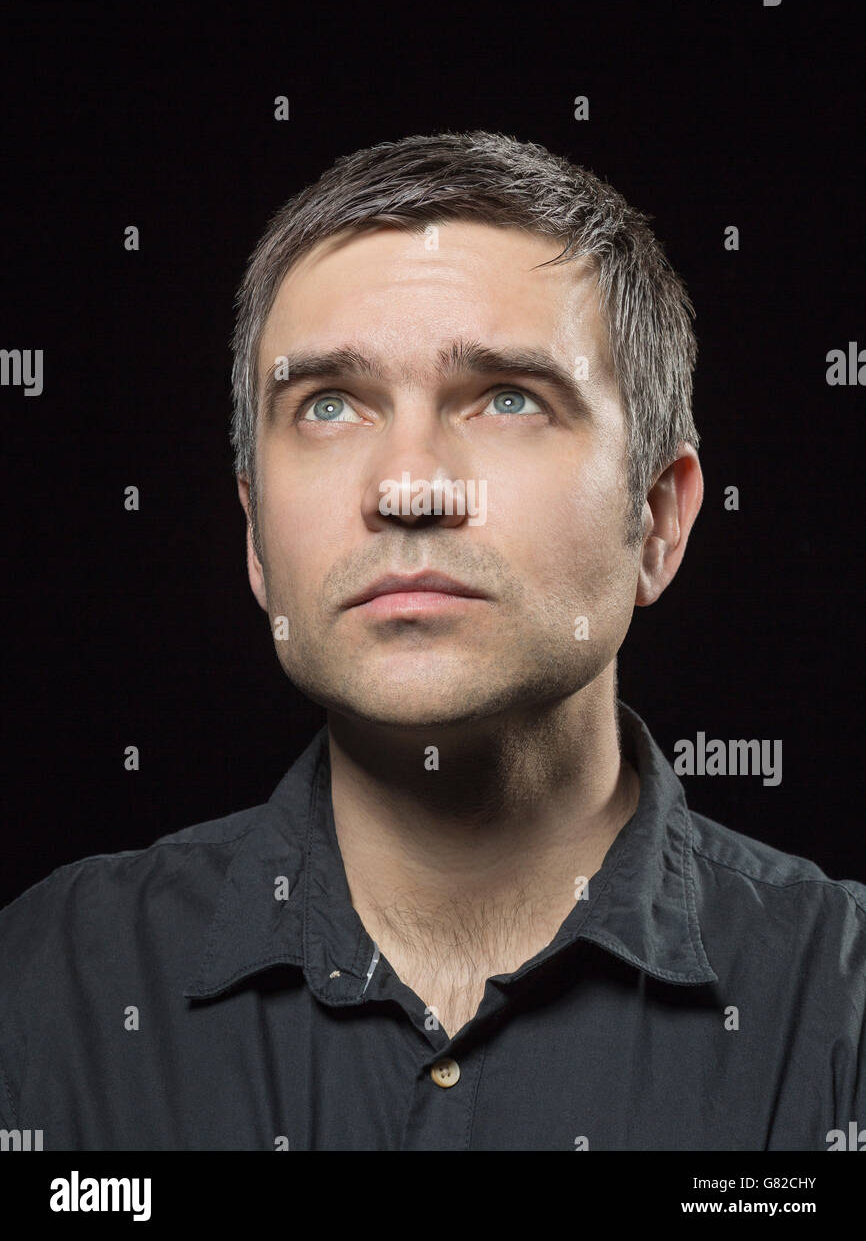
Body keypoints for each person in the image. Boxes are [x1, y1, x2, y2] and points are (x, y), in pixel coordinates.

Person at [1, 131, 863, 1151]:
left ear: (657, 520)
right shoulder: (46, 985)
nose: (407, 487)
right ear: (254, 534)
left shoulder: (837, 1017)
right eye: (327, 405)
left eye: (507, 398)